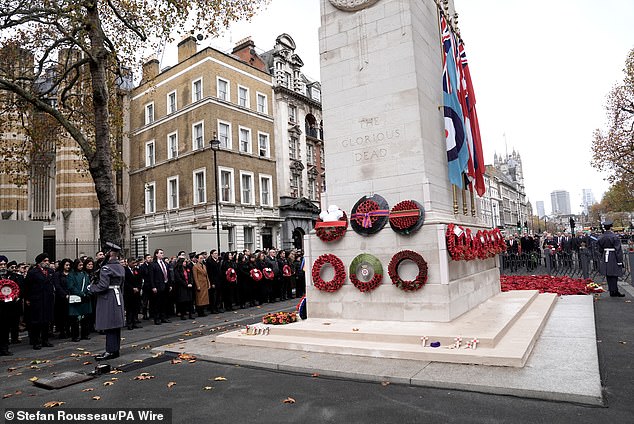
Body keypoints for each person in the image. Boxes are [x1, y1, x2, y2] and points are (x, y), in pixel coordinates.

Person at [91, 242, 126, 360]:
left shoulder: (106, 268)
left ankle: (110, 351)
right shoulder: (120, 267)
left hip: (108, 297)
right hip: (117, 296)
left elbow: (103, 286)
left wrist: (91, 288)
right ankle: (115, 349)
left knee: (109, 325)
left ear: (110, 253)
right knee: (116, 325)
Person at [23, 253, 55, 350]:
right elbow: (27, 286)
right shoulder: (33, 272)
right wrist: (27, 298)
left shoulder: (50, 271)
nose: (47, 263)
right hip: (37, 299)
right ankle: (36, 341)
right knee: (37, 321)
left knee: (46, 321)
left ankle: (45, 340)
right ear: (39, 262)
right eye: (45, 261)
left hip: (47, 299)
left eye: (47, 261)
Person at [597, 220, 625, 297]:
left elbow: (599, 248)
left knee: (608, 274)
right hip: (613, 256)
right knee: (614, 274)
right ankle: (614, 291)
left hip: (605, 255)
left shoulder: (601, 237)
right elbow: (618, 249)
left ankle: (612, 290)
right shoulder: (614, 237)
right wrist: (620, 261)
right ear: (611, 227)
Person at [66, 259, 92, 341]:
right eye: (79, 265)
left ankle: (85, 334)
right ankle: (75, 336)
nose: (81, 267)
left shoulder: (85, 274)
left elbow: (88, 284)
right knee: (75, 319)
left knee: (85, 318)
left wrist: (88, 293)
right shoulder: (71, 274)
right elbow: (71, 287)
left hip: (85, 298)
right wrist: (81, 294)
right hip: (77, 298)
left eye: (82, 265)